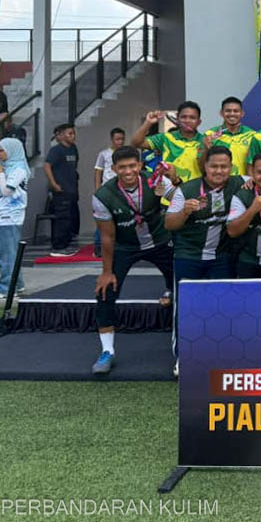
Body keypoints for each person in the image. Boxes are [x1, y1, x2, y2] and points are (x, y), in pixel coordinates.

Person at [91, 146, 177, 375]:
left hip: (161, 241)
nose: (128, 171)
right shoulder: (102, 196)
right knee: (105, 291)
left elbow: (180, 201)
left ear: (140, 165)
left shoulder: (156, 180)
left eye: (132, 166)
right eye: (122, 167)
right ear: (113, 169)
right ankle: (107, 350)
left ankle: (182, 341)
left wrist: (174, 182)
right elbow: (107, 236)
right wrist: (106, 272)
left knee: (182, 283)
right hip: (125, 246)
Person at [166, 146, 243, 374]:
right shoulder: (186, 190)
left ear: (231, 167)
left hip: (221, 257)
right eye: (214, 166)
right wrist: (185, 212)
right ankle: (183, 357)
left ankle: (219, 355)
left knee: (223, 307)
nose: (219, 171)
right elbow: (169, 224)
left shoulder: (240, 183)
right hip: (188, 256)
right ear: (204, 167)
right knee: (185, 307)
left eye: (224, 166)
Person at [0, 137, 30, 300]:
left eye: (1, 151)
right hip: (0, 215)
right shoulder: (6, 167)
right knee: (3, 253)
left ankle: (5, 288)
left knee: (7, 255)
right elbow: (1, 191)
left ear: (12, 151)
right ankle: (18, 284)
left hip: (11, 217)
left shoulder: (18, 169)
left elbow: (7, 191)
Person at [227, 152, 261, 278]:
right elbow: (232, 231)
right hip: (248, 261)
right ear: (252, 172)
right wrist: (252, 210)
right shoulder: (242, 194)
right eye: (260, 172)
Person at [130, 102, 206, 185]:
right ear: (177, 118)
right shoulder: (165, 138)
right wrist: (148, 123)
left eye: (192, 118)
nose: (187, 121)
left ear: (199, 122)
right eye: (183, 117)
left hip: (195, 190)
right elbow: (136, 143)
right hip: (168, 190)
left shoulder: (205, 141)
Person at [43, 123, 80, 257]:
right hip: (61, 190)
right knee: (62, 219)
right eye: (70, 133)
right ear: (62, 135)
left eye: (73, 133)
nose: (73, 136)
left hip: (72, 189)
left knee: (71, 218)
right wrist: (53, 183)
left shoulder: (73, 149)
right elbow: (47, 165)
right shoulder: (56, 150)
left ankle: (67, 244)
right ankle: (58, 247)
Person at [202, 96, 257, 176]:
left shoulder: (252, 135)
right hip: (219, 181)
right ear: (221, 113)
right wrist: (206, 149)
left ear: (242, 113)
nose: (232, 114)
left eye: (236, 111)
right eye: (228, 111)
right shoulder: (209, 134)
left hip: (243, 182)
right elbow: (202, 167)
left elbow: (255, 164)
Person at [93, 128, 126, 257]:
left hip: (122, 190)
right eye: (117, 139)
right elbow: (98, 171)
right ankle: (98, 246)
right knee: (103, 217)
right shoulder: (104, 154)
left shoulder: (125, 154)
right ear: (112, 139)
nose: (120, 142)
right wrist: (97, 189)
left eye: (122, 139)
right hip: (107, 190)